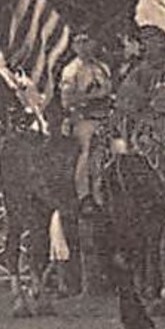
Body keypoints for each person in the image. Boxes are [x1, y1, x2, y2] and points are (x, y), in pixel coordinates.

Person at [58, 30, 113, 204]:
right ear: (74, 46)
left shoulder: (102, 67)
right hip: (84, 118)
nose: (84, 46)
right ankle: (85, 195)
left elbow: (110, 89)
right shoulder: (71, 70)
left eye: (87, 41)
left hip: (106, 117)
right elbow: (67, 100)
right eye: (79, 42)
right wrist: (93, 97)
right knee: (87, 152)